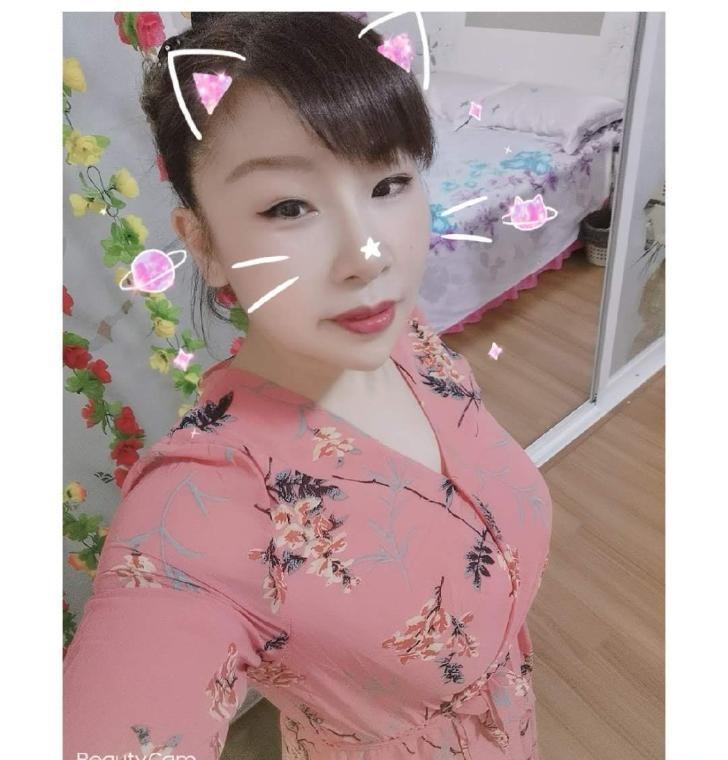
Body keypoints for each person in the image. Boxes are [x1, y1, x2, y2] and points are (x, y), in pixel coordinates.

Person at [63, 12, 552, 760]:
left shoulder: (409, 340)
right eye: (288, 206)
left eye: (389, 182)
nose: (369, 255)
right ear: (204, 243)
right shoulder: (200, 510)